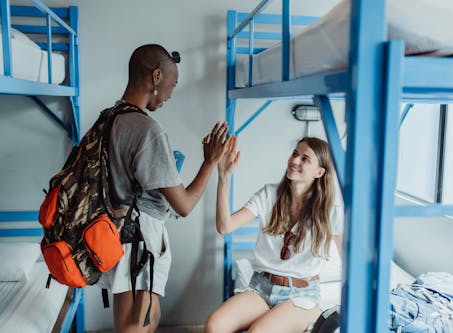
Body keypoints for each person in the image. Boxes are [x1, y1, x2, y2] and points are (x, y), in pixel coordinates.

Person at [97, 44, 231, 333]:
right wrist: (210, 162)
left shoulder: (110, 117)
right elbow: (184, 204)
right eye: (172, 84)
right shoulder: (148, 130)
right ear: (157, 76)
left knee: (149, 318)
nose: (171, 93)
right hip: (139, 240)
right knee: (135, 327)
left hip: (117, 233)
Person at [205, 136, 344, 333]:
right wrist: (224, 176)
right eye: (295, 153)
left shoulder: (331, 210)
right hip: (261, 288)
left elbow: (349, 260)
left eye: (305, 159)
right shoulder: (269, 194)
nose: (295, 160)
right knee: (214, 326)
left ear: (319, 172)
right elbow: (224, 226)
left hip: (302, 295)